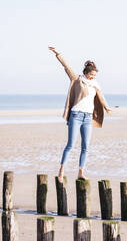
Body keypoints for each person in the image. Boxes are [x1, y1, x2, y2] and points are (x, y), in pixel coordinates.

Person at [48, 46, 112, 182]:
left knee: (85, 147)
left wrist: (107, 108)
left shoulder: (95, 83)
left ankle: (80, 172)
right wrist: (58, 54)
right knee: (70, 144)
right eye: (91, 75)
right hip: (76, 116)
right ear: (86, 72)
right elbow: (67, 66)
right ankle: (61, 171)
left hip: (88, 118)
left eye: (95, 75)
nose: (93, 77)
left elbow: (100, 96)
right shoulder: (77, 79)